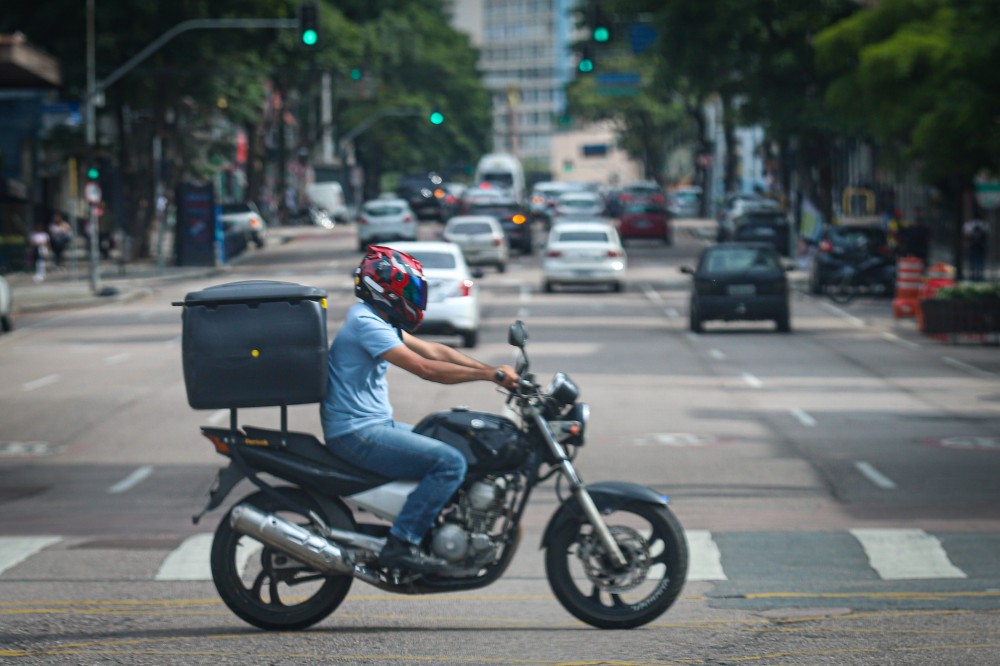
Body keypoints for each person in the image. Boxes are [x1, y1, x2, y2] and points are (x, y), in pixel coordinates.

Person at [321, 246, 520, 572]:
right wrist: (488, 375)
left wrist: (491, 369)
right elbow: (425, 368)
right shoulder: (365, 322)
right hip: (357, 433)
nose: (413, 296)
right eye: (408, 289)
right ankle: (403, 543)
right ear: (386, 289)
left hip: (373, 426)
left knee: (454, 446)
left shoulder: (376, 318)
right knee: (449, 463)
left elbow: (433, 350)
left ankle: (436, 527)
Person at [964, 217, 989, 281]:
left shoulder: (970, 225)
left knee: (973, 262)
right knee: (979, 262)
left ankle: (973, 276)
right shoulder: (983, 225)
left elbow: (966, 234)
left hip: (974, 246)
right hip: (980, 247)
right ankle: (979, 276)